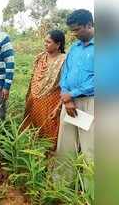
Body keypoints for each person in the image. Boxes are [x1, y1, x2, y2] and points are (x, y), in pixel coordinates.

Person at [55, 9, 95, 174]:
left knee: (90, 147)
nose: (74, 33)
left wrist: (72, 94)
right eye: (72, 30)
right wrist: (66, 96)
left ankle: (90, 192)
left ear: (90, 25)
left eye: (77, 29)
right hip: (69, 102)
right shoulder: (74, 48)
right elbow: (66, 72)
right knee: (65, 146)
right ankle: (62, 186)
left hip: (90, 102)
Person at [22, 30, 66, 149]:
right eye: (45, 41)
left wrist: (60, 105)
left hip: (52, 99)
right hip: (35, 98)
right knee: (34, 124)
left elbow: (65, 83)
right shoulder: (40, 57)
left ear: (58, 44)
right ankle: (34, 150)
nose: (45, 44)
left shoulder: (64, 60)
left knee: (50, 125)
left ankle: (50, 153)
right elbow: (34, 76)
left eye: (48, 42)